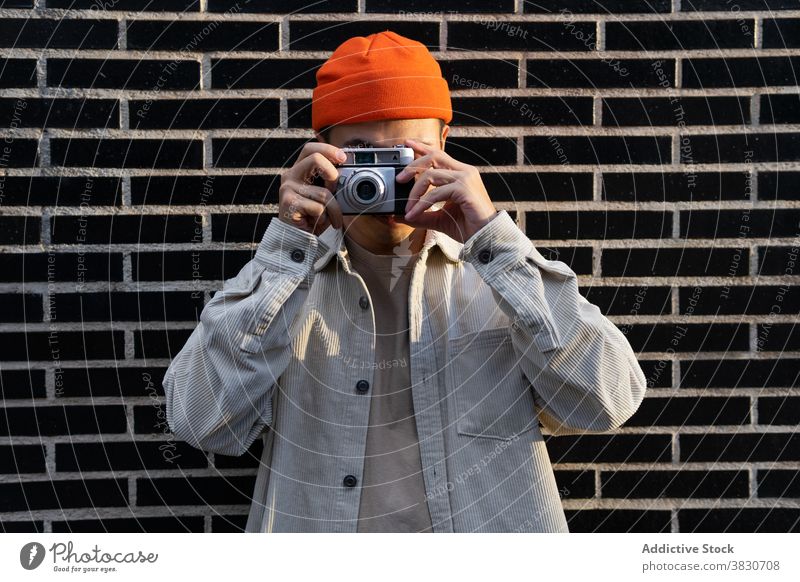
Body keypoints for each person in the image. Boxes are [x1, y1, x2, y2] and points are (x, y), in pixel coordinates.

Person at [163, 30, 647, 533]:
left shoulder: (502, 275)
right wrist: (286, 251)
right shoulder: (283, 283)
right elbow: (200, 420)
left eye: (402, 153)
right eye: (360, 154)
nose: (385, 179)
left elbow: (607, 401)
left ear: (442, 145)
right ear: (320, 154)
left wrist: (493, 238)